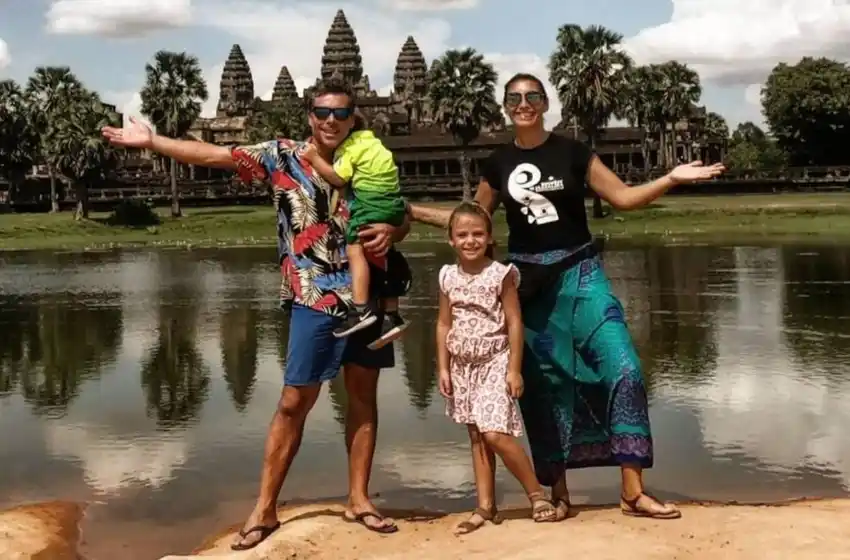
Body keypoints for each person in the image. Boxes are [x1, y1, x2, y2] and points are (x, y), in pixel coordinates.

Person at [102, 79, 409, 550]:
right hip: (313, 293)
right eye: (322, 112)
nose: (331, 121)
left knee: (363, 397)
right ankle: (264, 507)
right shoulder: (282, 155)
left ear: (353, 118)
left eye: (340, 114)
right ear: (309, 116)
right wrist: (153, 141)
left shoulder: (369, 155)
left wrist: (392, 231)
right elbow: (214, 155)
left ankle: (359, 498)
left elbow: (399, 213)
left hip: (367, 298)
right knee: (293, 401)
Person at [409, 72, 725, 521]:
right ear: (505, 106)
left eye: (532, 96)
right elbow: (468, 219)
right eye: (514, 98)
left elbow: (623, 198)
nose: (523, 104)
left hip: (582, 274)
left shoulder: (573, 152)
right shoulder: (499, 163)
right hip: (528, 284)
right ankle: (558, 493)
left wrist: (670, 177)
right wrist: (409, 211)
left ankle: (633, 491)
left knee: (625, 367)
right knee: (544, 386)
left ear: (544, 103)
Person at [437, 201, 562, 534]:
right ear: (451, 239)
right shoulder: (447, 276)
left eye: (478, 234)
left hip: (495, 361)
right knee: (477, 437)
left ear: (490, 237)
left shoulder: (501, 274)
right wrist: (443, 368)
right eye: (462, 235)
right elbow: (443, 323)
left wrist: (514, 369)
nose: (470, 241)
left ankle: (536, 495)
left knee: (494, 432)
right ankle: (485, 506)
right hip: (462, 365)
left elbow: (514, 321)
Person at [299, 123, 409, 349]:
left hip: (369, 211)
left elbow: (338, 178)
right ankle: (392, 316)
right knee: (383, 255)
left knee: (355, 249)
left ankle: (360, 310)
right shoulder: (375, 146)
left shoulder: (350, 149)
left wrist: (314, 158)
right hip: (389, 204)